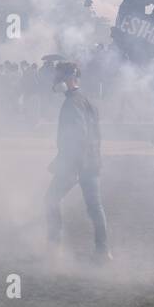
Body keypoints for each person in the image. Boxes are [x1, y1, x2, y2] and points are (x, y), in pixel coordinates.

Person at [45, 62, 112, 261]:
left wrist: (73, 166)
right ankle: (103, 251)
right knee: (95, 207)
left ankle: (53, 248)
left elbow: (79, 136)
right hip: (92, 163)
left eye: (59, 76)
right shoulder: (87, 101)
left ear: (70, 78)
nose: (56, 81)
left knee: (50, 200)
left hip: (75, 164)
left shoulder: (71, 103)